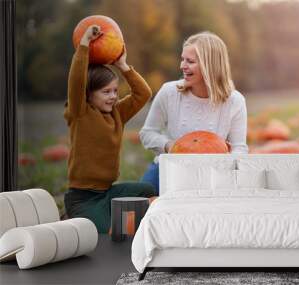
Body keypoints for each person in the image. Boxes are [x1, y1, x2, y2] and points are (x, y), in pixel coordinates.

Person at [63, 25, 155, 233]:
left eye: (115, 90)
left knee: (147, 190)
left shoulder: (117, 114)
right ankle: (72, 217)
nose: (113, 96)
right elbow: (76, 81)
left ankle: (120, 222)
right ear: (88, 94)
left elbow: (143, 93)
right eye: (106, 92)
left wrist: (123, 65)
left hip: (108, 192)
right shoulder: (80, 112)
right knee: (104, 235)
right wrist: (85, 43)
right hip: (82, 198)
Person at [139, 31, 248, 195]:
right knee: (139, 199)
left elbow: (240, 149)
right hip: (171, 168)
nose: (182, 66)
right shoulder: (169, 92)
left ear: (209, 65)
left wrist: (226, 159)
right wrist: (170, 146)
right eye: (182, 59)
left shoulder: (235, 101)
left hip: (213, 174)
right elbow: (147, 133)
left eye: (190, 61)